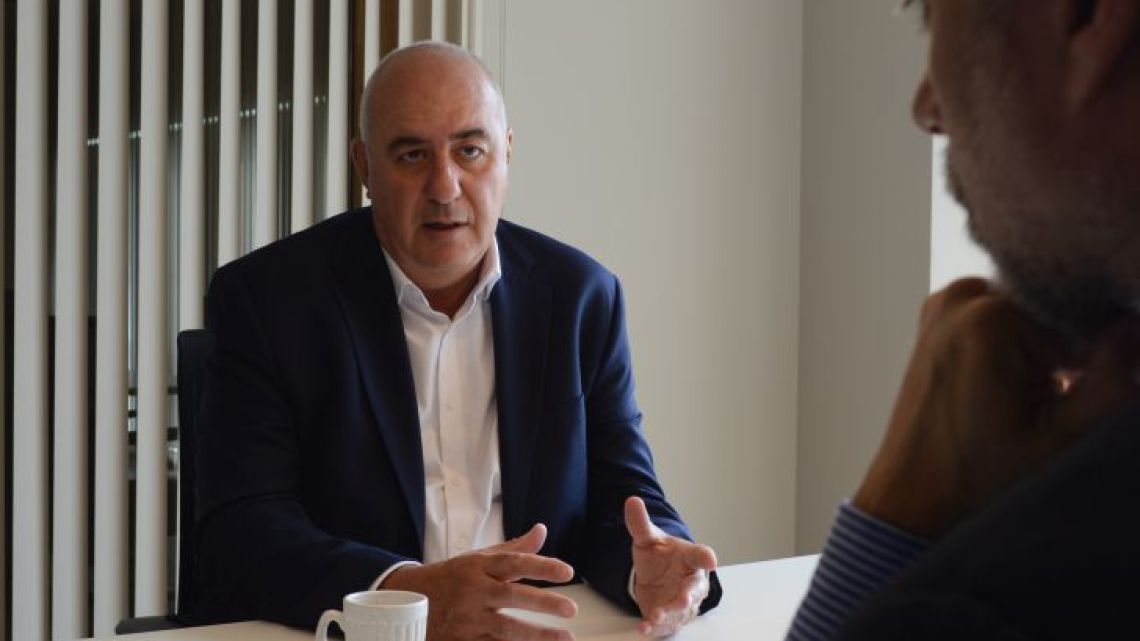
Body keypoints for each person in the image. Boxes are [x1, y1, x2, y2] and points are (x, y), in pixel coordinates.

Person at [191, 41, 721, 639]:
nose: (445, 187)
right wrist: (406, 593)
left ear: (507, 154)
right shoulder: (270, 301)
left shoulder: (580, 297)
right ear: (365, 167)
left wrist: (651, 567)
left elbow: (623, 495)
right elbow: (241, 531)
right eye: (412, 155)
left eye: (470, 150)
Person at [788, 0, 1140, 639]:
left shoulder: (989, 605)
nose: (927, 108)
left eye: (936, 21)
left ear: (1088, 19)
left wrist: (894, 519)